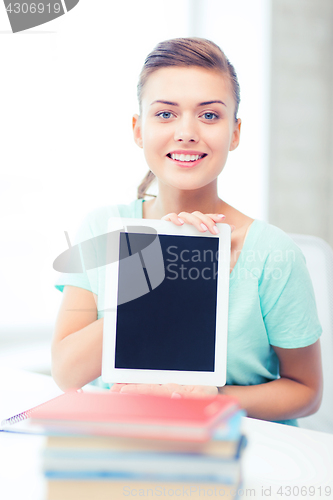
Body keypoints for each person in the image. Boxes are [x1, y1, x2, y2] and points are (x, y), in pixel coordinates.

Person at [52, 37, 323, 426]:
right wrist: (157, 270)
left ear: (235, 132)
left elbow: (306, 391)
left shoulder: (271, 252)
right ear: (138, 129)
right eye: (165, 114)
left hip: (237, 451)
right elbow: (67, 373)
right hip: (125, 442)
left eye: (210, 116)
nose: (186, 132)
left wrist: (215, 398)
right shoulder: (101, 229)